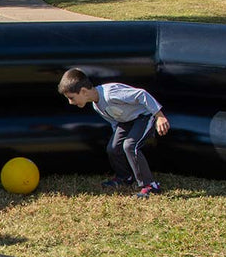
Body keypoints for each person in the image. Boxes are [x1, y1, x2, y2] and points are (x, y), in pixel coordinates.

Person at [57, 68, 171, 197]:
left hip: (144, 117)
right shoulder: (97, 105)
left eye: (71, 98)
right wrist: (117, 139)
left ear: (83, 91)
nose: (70, 102)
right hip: (126, 122)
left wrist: (159, 116)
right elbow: (115, 122)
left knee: (130, 146)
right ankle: (125, 178)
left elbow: (142, 94)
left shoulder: (110, 93)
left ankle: (150, 185)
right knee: (113, 148)